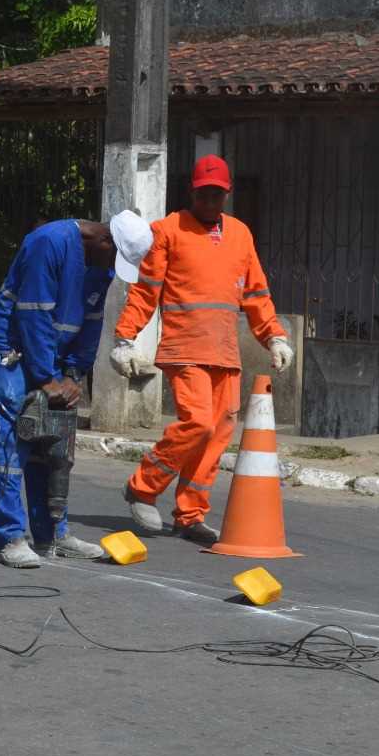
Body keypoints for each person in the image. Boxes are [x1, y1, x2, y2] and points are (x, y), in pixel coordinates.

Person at [110, 154, 294, 544]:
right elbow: (145, 292)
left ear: (227, 194)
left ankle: (190, 514)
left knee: (217, 435)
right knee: (198, 424)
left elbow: (257, 293)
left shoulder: (240, 234)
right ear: (192, 192)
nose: (211, 201)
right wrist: (124, 339)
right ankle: (142, 487)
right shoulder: (168, 231)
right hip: (184, 349)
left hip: (225, 353)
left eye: (217, 194)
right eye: (204, 194)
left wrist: (274, 336)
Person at [0, 211, 154, 569]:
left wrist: (75, 374)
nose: (111, 269)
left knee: (53, 446)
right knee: (12, 444)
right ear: (104, 240)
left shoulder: (101, 263)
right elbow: (34, 313)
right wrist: (47, 378)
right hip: (13, 351)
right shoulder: (49, 242)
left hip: (54, 360)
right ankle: (11, 536)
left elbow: (92, 321)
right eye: (114, 259)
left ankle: (52, 534)